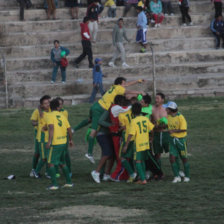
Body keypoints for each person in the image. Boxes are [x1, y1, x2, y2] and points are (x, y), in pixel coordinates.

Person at [83, 77, 145, 164]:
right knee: (94, 131)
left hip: (99, 107)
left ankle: (90, 153)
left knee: (93, 125)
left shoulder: (115, 87)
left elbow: (127, 85)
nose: (125, 85)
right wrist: (139, 92)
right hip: (102, 110)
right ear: (120, 84)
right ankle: (89, 153)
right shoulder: (119, 97)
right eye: (124, 83)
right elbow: (127, 91)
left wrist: (138, 81)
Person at [122, 102, 155, 185]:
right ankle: (142, 177)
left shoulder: (134, 121)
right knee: (142, 161)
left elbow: (131, 134)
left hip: (138, 145)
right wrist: (152, 137)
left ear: (132, 112)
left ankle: (143, 180)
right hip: (145, 143)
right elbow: (152, 129)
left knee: (138, 161)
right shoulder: (145, 119)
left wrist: (126, 145)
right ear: (140, 110)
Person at [45, 98, 74, 190]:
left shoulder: (49, 116)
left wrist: (49, 141)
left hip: (55, 143)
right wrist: (70, 140)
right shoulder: (62, 116)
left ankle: (54, 184)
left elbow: (51, 128)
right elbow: (69, 129)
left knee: (50, 163)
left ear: (50, 107)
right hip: (63, 142)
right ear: (58, 107)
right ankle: (69, 182)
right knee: (62, 163)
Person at [164, 101, 190, 183]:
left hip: (181, 141)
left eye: (167, 108)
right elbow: (167, 125)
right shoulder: (168, 116)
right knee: (172, 158)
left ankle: (187, 176)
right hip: (172, 141)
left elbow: (184, 129)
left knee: (184, 159)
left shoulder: (180, 117)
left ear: (171, 109)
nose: (165, 109)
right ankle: (177, 176)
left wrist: (173, 131)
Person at [30, 95, 51, 177]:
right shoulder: (38, 112)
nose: (48, 104)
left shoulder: (51, 110)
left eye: (49, 102)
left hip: (49, 136)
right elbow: (32, 122)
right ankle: (34, 170)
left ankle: (48, 172)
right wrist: (40, 124)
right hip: (41, 136)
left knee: (49, 156)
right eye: (46, 103)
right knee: (40, 155)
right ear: (42, 105)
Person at [151, 93, 169, 172]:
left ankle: (178, 171)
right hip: (156, 134)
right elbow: (150, 122)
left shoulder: (167, 109)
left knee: (172, 153)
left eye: (158, 98)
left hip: (166, 134)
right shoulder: (151, 109)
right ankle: (159, 173)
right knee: (157, 154)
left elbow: (171, 122)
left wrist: (166, 125)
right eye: (155, 98)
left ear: (162, 100)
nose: (156, 100)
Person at [56, 97, 72, 177]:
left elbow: (66, 125)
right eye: (58, 104)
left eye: (61, 104)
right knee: (55, 154)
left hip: (63, 136)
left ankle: (69, 170)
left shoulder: (64, 112)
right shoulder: (51, 112)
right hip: (55, 136)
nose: (60, 106)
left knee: (65, 154)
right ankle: (55, 171)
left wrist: (70, 138)